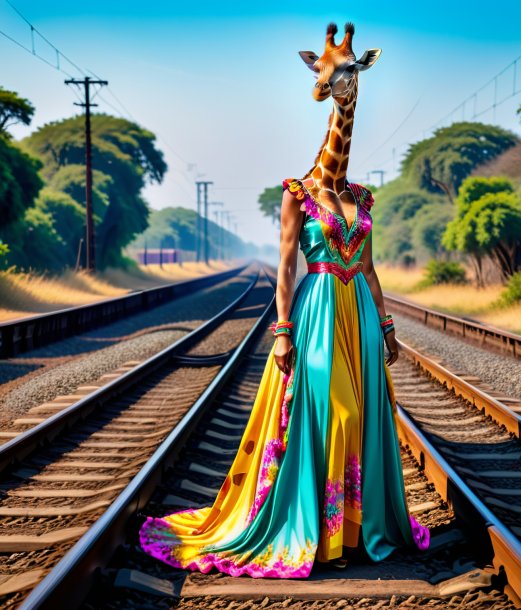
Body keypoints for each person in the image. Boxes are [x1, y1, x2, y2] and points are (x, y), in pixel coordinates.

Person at [139, 21, 430, 579]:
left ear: (357, 77)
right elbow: (287, 266)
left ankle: (356, 531)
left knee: (367, 415)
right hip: (319, 312)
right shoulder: (297, 193)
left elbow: (368, 268)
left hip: (363, 319)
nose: (328, 81)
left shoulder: (363, 198)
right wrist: (282, 329)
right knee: (333, 411)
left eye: (342, 73)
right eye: (324, 72)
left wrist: (389, 327)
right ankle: (312, 531)